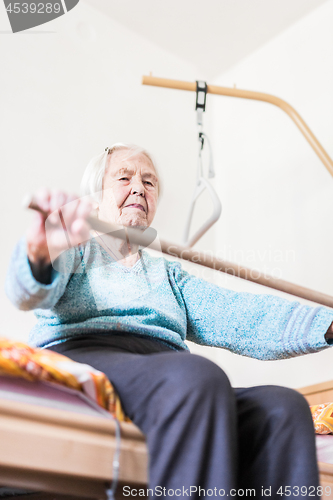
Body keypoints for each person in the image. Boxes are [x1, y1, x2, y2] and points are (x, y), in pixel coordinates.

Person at [5, 143, 333, 499]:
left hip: (161, 371)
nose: (138, 188)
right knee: (197, 376)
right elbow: (30, 293)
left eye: (149, 182)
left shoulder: (169, 274)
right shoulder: (76, 244)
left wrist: (325, 326)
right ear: (95, 200)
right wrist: (39, 252)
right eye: (124, 177)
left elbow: (240, 315)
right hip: (87, 354)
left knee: (285, 409)